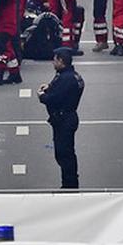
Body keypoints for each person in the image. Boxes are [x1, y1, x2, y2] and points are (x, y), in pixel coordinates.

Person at [38, 47, 85, 189]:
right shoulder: (70, 75)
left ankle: (69, 184)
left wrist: (42, 96)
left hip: (64, 119)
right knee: (64, 153)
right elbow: (58, 88)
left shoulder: (66, 79)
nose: (53, 62)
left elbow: (55, 98)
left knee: (64, 154)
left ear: (61, 61)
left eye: (55, 59)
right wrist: (49, 87)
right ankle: (69, 182)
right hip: (65, 117)